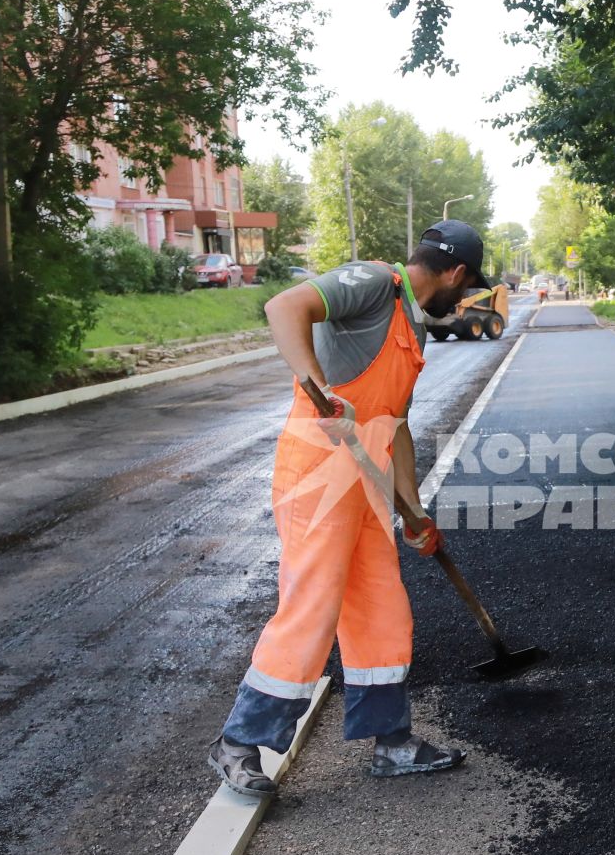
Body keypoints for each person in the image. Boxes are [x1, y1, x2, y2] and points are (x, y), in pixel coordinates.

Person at [207, 220, 489, 797]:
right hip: (316, 471)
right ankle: (238, 743)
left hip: (365, 480)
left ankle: (392, 742)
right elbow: (284, 306)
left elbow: (399, 428)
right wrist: (318, 386)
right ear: (455, 274)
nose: (463, 299)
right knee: (311, 606)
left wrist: (414, 511)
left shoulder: (414, 331)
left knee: (382, 608)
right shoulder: (373, 283)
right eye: (466, 288)